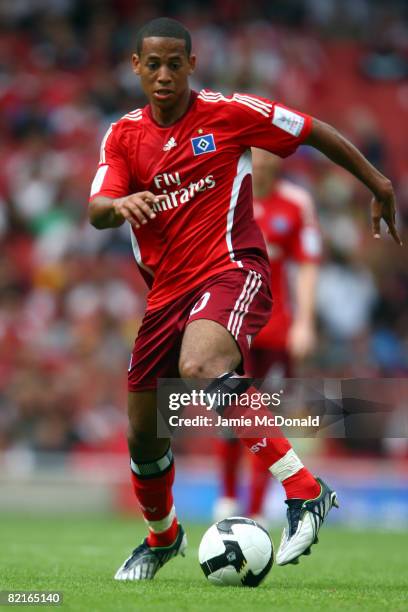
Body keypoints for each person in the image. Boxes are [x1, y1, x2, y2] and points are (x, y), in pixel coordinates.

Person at [88, 17, 401, 580]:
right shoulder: (122, 135)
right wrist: (120, 205)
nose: (163, 75)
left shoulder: (229, 112)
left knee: (202, 365)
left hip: (232, 269)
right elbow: (95, 210)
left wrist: (378, 183)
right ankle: (163, 538)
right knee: (144, 435)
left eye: (173, 63)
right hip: (165, 296)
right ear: (135, 66)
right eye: (152, 64)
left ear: (192, 64)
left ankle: (305, 492)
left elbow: (312, 130)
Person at [214, 149, 321, 525]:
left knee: (267, 415)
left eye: (270, 154)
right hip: (232, 327)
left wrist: (304, 322)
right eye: (256, 154)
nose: (263, 162)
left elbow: (307, 264)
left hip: (275, 331)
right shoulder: (225, 196)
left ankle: (256, 509)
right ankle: (227, 499)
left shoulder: (296, 203)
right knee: (229, 413)